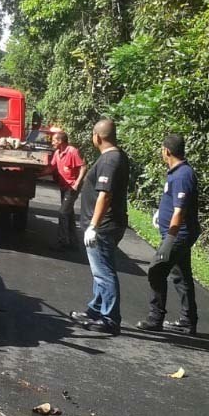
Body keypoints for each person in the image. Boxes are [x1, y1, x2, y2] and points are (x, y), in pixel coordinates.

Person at [136, 134, 201, 335]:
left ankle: (156, 317)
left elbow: (179, 211)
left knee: (156, 270)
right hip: (176, 233)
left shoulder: (182, 175)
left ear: (167, 151)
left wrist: (169, 241)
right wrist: (160, 213)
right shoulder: (175, 172)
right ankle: (187, 321)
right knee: (181, 276)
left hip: (178, 235)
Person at [71, 119, 130, 335]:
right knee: (100, 271)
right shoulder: (117, 156)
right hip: (108, 224)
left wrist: (93, 226)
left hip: (104, 226)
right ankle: (94, 310)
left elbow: (105, 195)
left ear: (97, 136)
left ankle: (110, 318)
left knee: (103, 272)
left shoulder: (109, 160)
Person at [49, 129, 87, 249]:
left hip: (72, 187)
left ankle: (62, 242)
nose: (52, 143)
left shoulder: (72, 151)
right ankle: (74, 242)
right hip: (64, 186)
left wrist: (77, 183)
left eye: (54, 140)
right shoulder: (57, 153)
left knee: (63, 213)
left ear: (60, 141)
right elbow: (52, 168)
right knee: (69, 213)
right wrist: (36, 174)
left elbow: (83, 167)